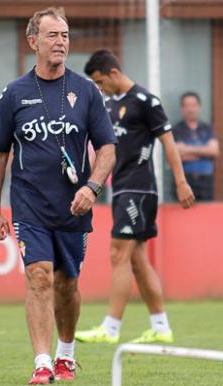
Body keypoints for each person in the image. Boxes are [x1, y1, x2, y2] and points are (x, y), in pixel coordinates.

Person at [0, 8, 116, 384]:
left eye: (65, 35)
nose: (61, 42)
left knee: (67, 284)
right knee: (38, 276)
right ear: (33, 42)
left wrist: (92, 187)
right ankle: (42, 363)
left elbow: (107, 148)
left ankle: (66, 352)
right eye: (53, 35)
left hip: (74, 207)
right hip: (29, 205)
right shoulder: (14, 94)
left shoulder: (87, 91)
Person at [75, 50, 195, 345]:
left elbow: (169, 143)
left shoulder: (146, 102)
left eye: (101, 82)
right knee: (138, 259)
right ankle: (161, 326)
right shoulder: (111, 105)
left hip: (139, 188)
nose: (100, 88)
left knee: (119, 253)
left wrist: (180, 182)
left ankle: (111, 328)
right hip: (123, 187)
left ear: (114, 73)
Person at [172, 92, 219, 201]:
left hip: (206, 182)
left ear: (199, 107)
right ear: (182, 108)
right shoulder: (176, 130)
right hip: (185, 181)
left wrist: (187, 149)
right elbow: (177, 154)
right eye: (187, 106)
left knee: (205, 216)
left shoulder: (207, 128)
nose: (190, 109)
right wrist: (203, 151)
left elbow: (214, 151)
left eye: (193, 105)